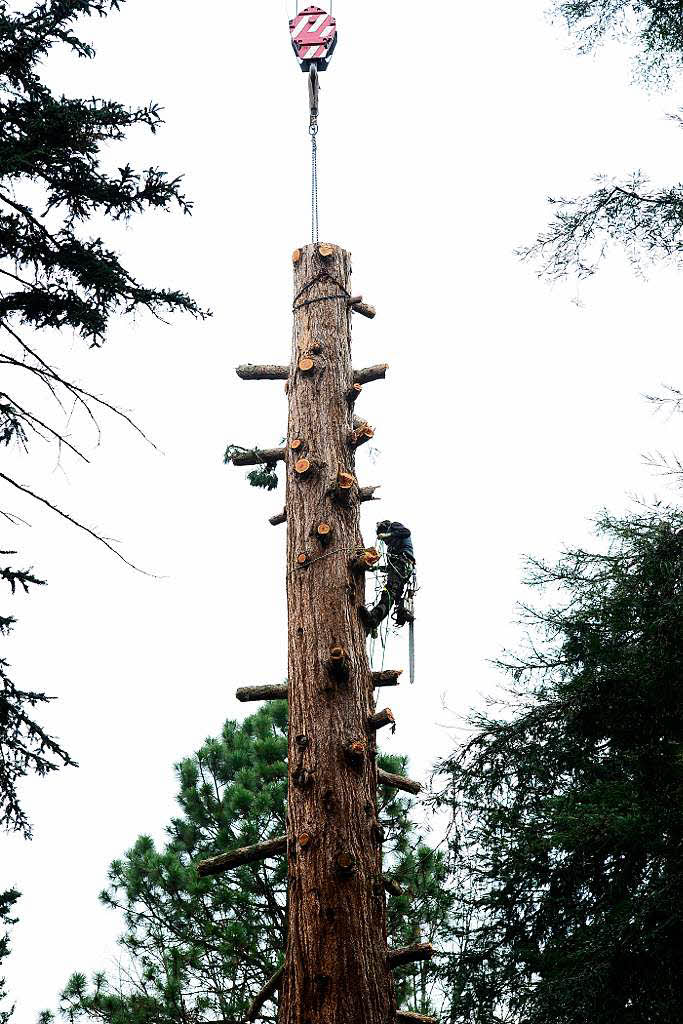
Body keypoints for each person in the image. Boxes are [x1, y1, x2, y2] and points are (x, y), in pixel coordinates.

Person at [359, 521, 415, 635]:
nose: (385, 542)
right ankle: (375, 622)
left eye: (384, 539)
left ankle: (374, 618)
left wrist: (388, 534)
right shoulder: (391, 548)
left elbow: (406, 532)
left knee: (388, 593)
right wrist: (376, 568)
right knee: (391, 595)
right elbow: (390, 566)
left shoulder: (394, 526)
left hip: (403, 563)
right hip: (401, 567)